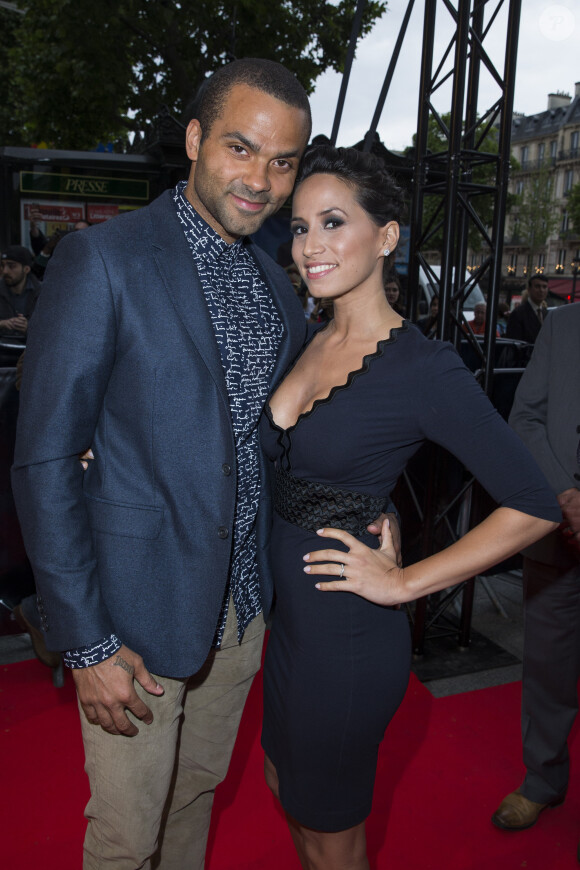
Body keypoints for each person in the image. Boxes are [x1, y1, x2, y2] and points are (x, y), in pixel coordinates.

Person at [12, 58, 313, 870]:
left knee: (193, 804)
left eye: (283, 161)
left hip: (242, 610)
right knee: (125, 838)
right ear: (194, 139)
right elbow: (43, 460)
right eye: (242, 149)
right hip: (133, 620)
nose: (262, 179)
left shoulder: (277, 288)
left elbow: (270, 444)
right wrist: (82, 643)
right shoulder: (103, 260)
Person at [259, 145, 560, 870]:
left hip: (347, 638)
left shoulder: (422, 366)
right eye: (300, 227)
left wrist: (403, 582)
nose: (312, 246)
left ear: (387, 236)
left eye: (334, 222)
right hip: (286, 627)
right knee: (286, 792)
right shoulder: (307, 336)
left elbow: (533, 503)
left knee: (332, 836)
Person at [491, 303, 580, 849]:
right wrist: (566, 496)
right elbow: (525, 417)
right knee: (548, 666)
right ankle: (543, 780)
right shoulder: (562, 324)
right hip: (557, 531)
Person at [0, 246, 41, 336]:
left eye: (11, 266)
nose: (5, 271)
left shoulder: (42, 293)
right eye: (2, 265)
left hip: (30, 348)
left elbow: (51, 328)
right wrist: (2, 324)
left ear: (26, 269)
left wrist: (29, 327)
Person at [505, 274, 549, 343]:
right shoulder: (518, 313)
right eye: (537, 286)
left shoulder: (547, 313)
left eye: (544, 287)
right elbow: (514, 342)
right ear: (529, 289)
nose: (541, 290)